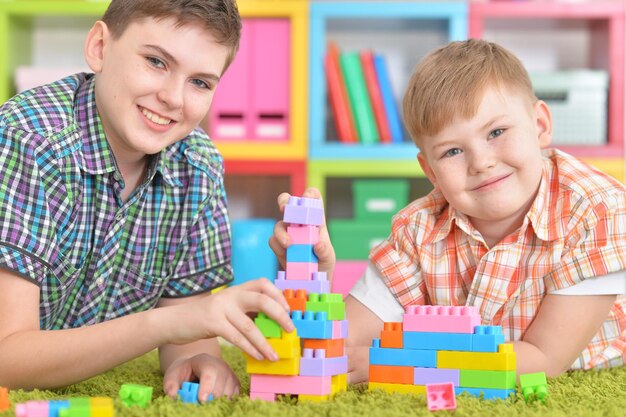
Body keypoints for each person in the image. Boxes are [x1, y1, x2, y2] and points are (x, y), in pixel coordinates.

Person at [271, 39, 626, 383]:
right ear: (430, 171)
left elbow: (543, 359)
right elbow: (340, 346)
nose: (482, 163)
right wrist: (317, 276)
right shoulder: (417, 230)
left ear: (540, 126)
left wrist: (395, 364)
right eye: (452, 152)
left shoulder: (595, 211)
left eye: (497, 131)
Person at [0, 0, 294, 401]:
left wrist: (195, 360)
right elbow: (7, 357)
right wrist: (165, 323)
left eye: (200, 82)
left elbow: (187, 328)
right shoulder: (28, 141)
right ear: (100, 48)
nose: (173, 98)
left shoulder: (198, 167)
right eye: (156, 61)